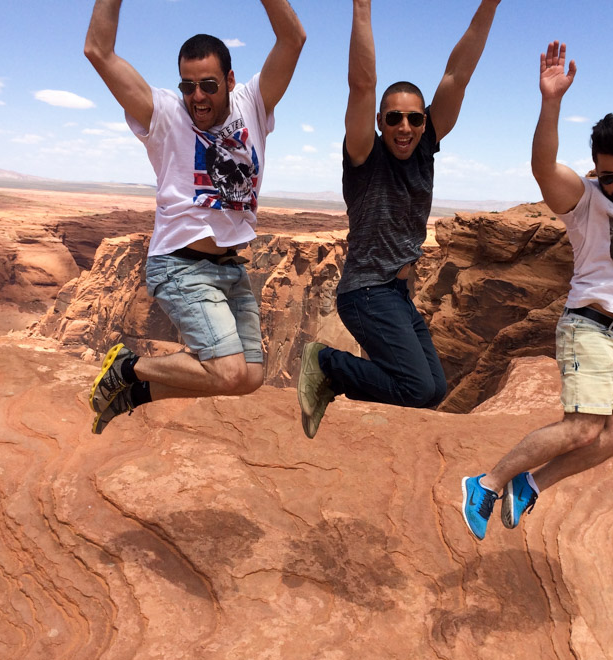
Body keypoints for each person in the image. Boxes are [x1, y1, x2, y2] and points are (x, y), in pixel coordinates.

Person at [462, 38, 613, 539]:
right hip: (590, 328)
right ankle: (486, 483)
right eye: (609, 175)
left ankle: (530, 483)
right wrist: (550, 102)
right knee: (582, 426)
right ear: (596, 168)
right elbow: (543, 168)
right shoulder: (585, 200)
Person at [83, 0, 305, 434]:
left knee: (249, 378)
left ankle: (136, 393)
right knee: (227, 371)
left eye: (208, 85)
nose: (197, 96)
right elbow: (98, 52)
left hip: (230, 268)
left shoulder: (253, 103)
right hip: (180, 265)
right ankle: (128, 367)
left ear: (230, 80)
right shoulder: (164, 113)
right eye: (188, 86)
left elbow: (293, 38)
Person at [296, 0, 502, 439]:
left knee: (434, 390)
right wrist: (362, 9)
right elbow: (362, 83)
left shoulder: (425, 148)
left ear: (425, 121)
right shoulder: (364, 155)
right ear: (380, 121)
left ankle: (335, 380)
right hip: (366, 292)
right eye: (394, 118)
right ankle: (325, 362)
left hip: (396, 293)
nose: (404, 127)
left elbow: (458, 75)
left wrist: (489, 6)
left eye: (413, 118)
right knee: (415, 388)